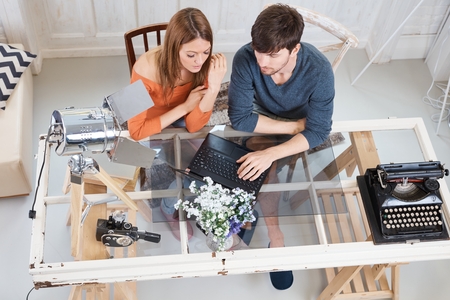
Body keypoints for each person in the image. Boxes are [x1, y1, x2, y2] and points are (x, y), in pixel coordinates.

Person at [228, 3, 334, 290]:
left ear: (294, 49)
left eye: (273, 55)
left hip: (302, 127)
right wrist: (292, 127)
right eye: (258, 51)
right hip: (265, 121)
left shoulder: (320, 70)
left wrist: (273, 151)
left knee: (267, 159)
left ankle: (271, 236)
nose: (263, 61)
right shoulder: (245, 58)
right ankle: (275, 236)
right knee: (261, 163)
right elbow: (239, 117)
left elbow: (320, 130)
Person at [128, 7, 227, 240]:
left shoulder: (204, 65)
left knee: (211, 165)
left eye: (205, 52)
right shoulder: (144, 69)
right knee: (188, 168)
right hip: (154, 123)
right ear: (174, 49)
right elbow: (136, 130)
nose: (199, 61)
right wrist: (182, 107)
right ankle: (168, 205)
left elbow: (194, 125)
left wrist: (213, 87)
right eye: (191, 55)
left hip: (184, 121)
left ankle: (185, 203)